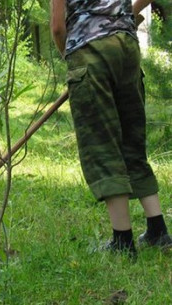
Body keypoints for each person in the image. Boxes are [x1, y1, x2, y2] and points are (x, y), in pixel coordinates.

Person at [51, 0, 171, 256]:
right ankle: (158, 230)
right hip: (127, 46)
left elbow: (58, 29)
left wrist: (70, 57)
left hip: (89, 50)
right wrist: (125, 13)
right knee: (132, 140)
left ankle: (122, 241)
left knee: (101, 144)